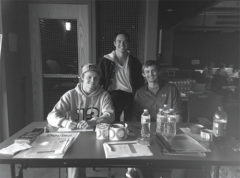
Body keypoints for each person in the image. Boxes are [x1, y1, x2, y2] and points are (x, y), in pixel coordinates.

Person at [47, 63, 114, 178]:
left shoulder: (104, 95)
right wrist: (65, 122)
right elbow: (51, 115)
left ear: (99, 80)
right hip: (75, 137)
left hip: (97, 136)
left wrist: (94, 121)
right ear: (82, 78)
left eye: (96, 78)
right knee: (75, 162)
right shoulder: (70, 95)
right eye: (89, 77)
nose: (92, 81)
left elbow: (110, 115)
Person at [126, 60, 183, 178]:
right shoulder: (139, 93)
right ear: (143, 74)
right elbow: (134, 119)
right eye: (147, 72)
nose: (150, 74)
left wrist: (170, 131)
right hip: (147, 133)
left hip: (167, 132)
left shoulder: (171, 89)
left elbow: (178, 116)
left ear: (159, 72)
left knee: (181, 160)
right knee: (136, 159)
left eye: (153, 71)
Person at [98, 31, 144, 122]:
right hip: (112, 95)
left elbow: (140, 81)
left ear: (129, 43)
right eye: (119, 41)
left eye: (125, 41)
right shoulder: (106, 61)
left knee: (130, 123)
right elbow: (99, 79)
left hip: (130, 96)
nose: (122, 44)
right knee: (113, 122)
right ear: (114, 43)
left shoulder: (134, 62)